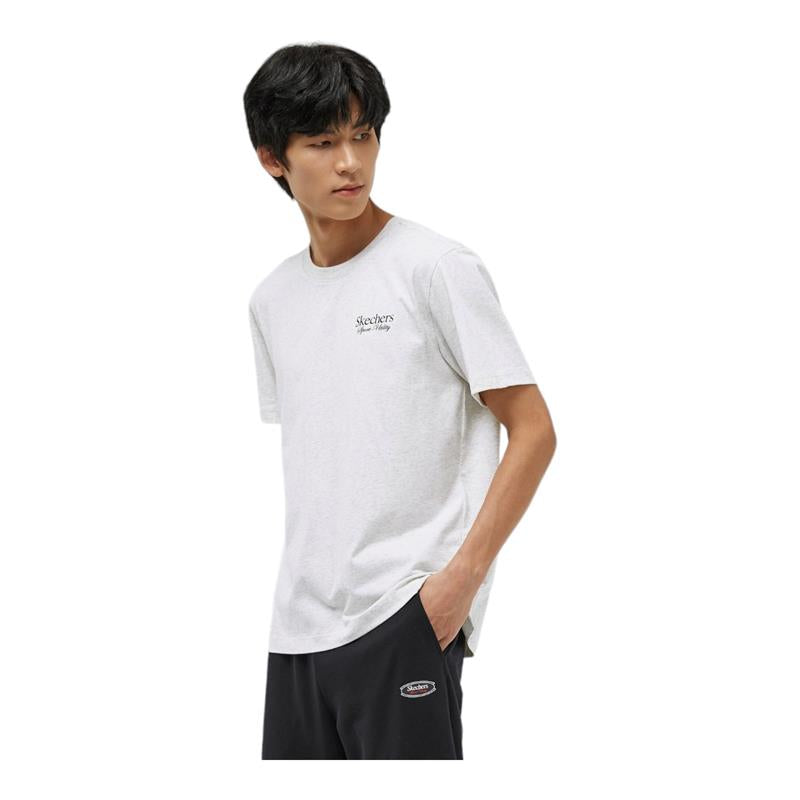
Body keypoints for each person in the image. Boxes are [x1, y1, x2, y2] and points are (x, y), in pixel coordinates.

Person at [243, 42, 556, 760]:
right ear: (272, 159)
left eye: (363, 135)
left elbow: (534, 429)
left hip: (404, 615)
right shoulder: (272, 299)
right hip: (297, 633)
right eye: (323, 143)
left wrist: (458, 586)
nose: (350, 162)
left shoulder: (435, 268)